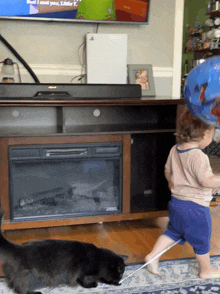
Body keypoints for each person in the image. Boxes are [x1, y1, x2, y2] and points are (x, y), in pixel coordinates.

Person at [145, 106, 220, 280]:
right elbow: (206, 181)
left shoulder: (175, 149)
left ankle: (153, 255)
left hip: (177, 203)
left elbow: (167, 170)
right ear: (203, 135)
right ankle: (206, 269)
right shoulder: (198, 156)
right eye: (211, 134)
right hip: (195, 208)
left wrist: (173, 184)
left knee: (173, 232)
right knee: (201, 240)